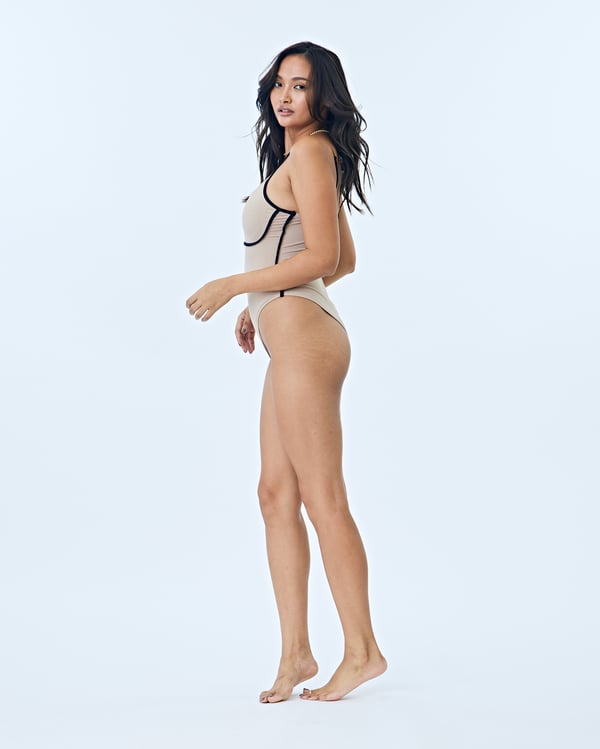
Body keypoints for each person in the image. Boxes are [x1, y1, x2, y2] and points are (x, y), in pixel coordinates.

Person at [186, 41, 386, 703]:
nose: (285, 95)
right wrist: (261, 303)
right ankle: (297, 653)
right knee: (275, 493)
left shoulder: (313, 151)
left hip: (306, 339)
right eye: (279, 83)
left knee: (322, 495)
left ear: (322, 95)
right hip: (289, 332)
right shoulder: (298, 157)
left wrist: (235, 286)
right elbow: (342, 259)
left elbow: (321, 257)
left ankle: (363, 652)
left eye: (300, 85)